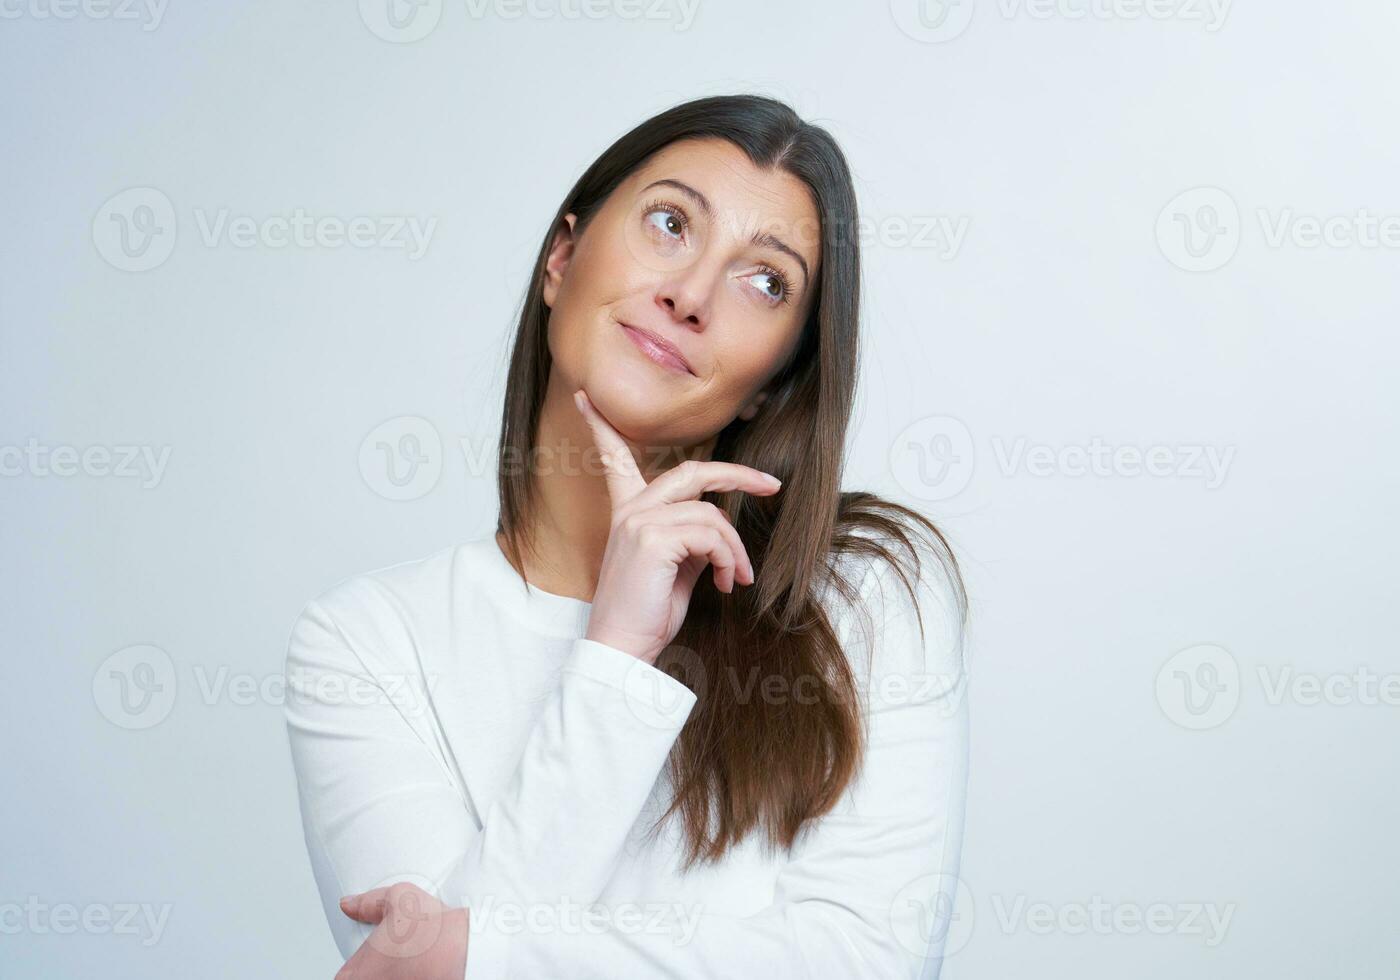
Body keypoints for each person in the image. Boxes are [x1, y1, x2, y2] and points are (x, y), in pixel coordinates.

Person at [283, 93, 972, 980]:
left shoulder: (865, 590)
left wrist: (477, 947)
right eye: (670, 223)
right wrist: (613, 652)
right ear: (562, 259)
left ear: (771, 383)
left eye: (766, 282)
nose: (690, 295)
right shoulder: (364, 644)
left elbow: (869, 964)